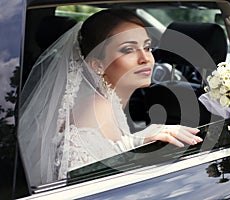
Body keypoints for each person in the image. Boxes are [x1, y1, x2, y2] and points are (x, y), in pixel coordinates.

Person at [18, 9, 202, 186]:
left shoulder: (106, 99)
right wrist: (137, 140)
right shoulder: (97, 107)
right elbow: (86, 180)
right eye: (128, 50)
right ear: (97, 65)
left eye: (147, 47)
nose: (145, 58)